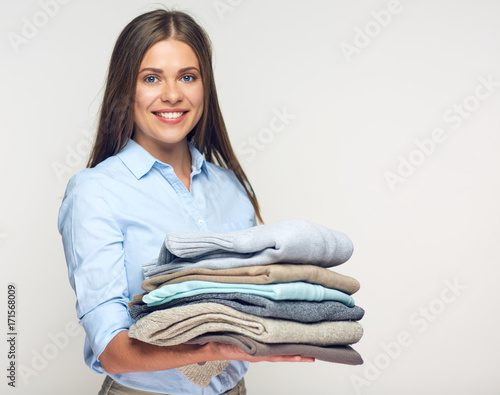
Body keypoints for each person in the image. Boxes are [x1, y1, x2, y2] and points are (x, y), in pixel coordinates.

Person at [58, 8, 313, 395]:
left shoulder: (231, 187)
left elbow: (256, 298)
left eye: (187, 77)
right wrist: (213, 347)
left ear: (204, 86)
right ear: (126, 89)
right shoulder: (95, 192)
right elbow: (112, 351)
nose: (173, 94)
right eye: (151, 78)